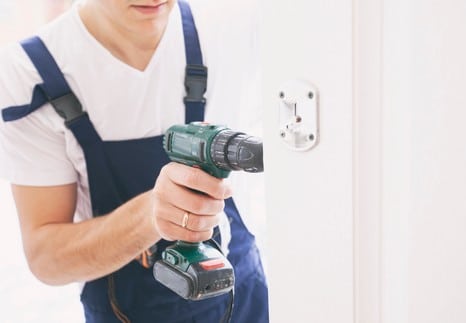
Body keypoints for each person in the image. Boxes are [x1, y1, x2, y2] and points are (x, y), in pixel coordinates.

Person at [0, 0, 269, 322]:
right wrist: (151, 215)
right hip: (127, 310)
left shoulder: (231, 24)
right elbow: (45, 258)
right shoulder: (28, 73)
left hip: (243, 295)